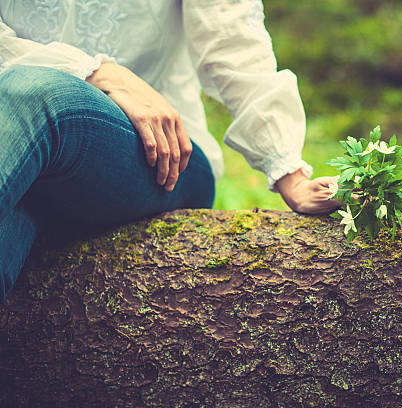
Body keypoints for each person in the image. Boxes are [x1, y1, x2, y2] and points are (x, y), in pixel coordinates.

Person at [0, 0, 339, 301]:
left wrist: (287, 170)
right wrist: (100, 73)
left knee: (32, 91)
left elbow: (233, 41)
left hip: (162, 155)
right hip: (20, 152)